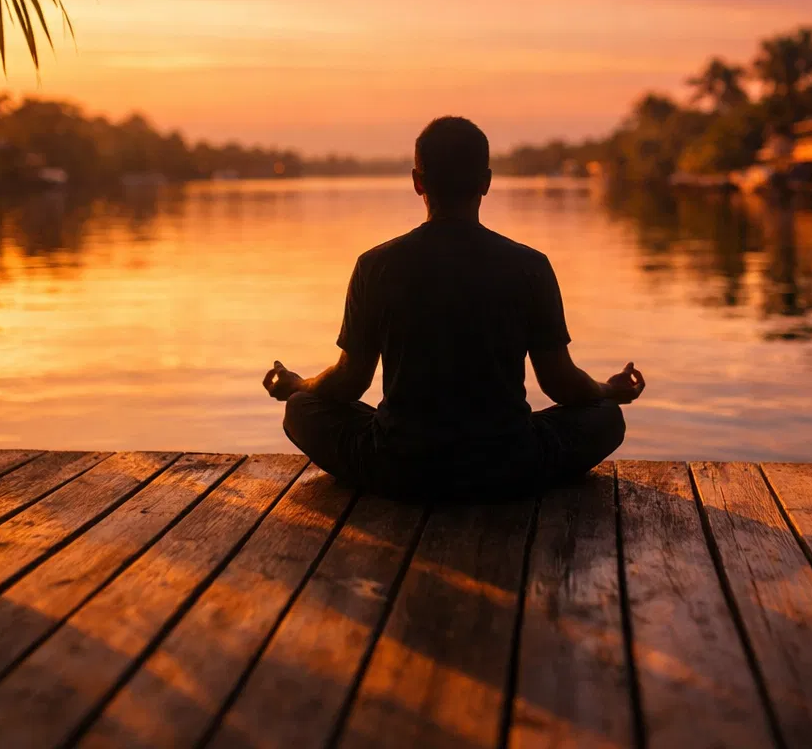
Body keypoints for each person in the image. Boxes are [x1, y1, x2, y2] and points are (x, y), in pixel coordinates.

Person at [262, 115, 644, 501]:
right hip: (507, 463)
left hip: (399, 464)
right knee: (606, 417)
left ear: (417, 182)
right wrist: (606, 390)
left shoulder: (375, 265)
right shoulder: (529, 266)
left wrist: (300, 385)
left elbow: (349, 382)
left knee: (301, 408)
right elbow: (560, 383)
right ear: (486, 182)